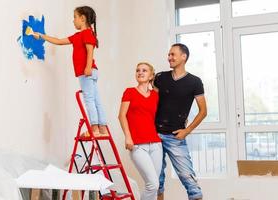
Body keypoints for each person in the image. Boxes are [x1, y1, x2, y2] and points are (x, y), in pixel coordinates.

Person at [33, 6, 108, 136]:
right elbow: (59, 41)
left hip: (87, 72)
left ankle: (95, 128)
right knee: (95, 99)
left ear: (82, 18)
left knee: (90, 99)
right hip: (88, 72)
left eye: (75, 17)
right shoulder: (78, 36)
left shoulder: (86, 33)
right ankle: (102, 129)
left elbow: (90, 50)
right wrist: (41, 36)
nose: (73, 21)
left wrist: (88, 67)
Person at [154, 43, 207, 200]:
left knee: (188, 178)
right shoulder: (161, 77)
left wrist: (187, 130)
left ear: (183, 57)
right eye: (169, 54)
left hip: (175, 137)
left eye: (173, 54)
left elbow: (203, 111)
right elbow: (152, 104)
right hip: (155, 135)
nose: (169, 57)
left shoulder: (194, 82)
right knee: (157, 179)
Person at [118, 62, 162, 200]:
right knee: (152, 185)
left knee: (154, 186)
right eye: (138, 70)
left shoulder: (156, 95)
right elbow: (121, 116)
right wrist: (127, 137)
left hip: (156, 145)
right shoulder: (129, 92)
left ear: (151, 75)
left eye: (144, 70)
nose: (140, 72)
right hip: (137, 145)